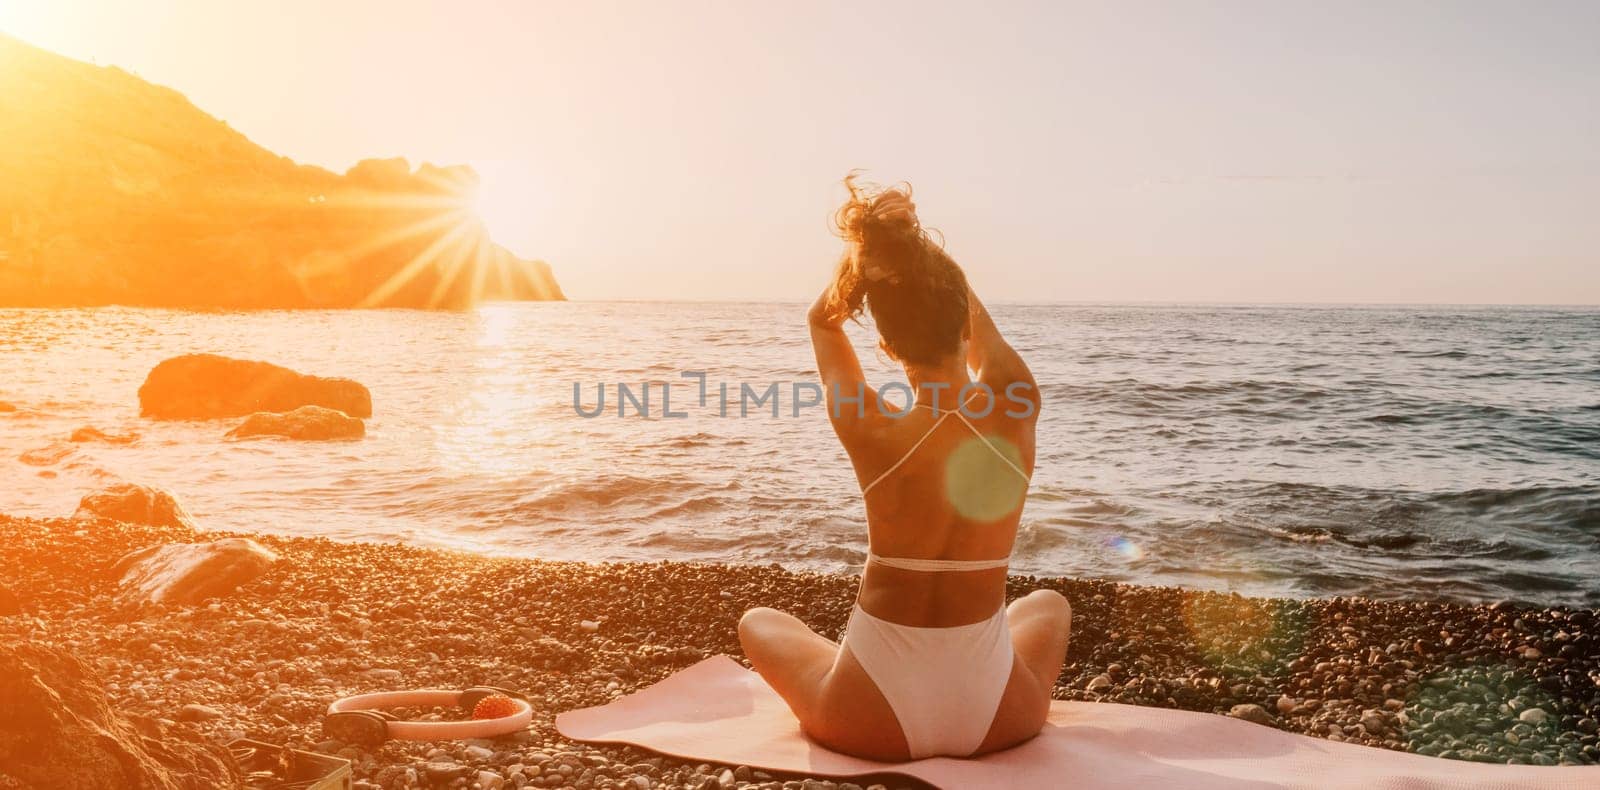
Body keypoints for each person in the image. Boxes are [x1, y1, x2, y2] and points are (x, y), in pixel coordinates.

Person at [737, 176, 1072, 760]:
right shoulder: (1017, 405)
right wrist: (910, 242)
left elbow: (822, 321)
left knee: (758, 620)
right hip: (998, 718)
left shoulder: (870, 430)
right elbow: (969, 314)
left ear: (888, 348)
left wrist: (866, 255)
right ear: (964, 324)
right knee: (1048, 606)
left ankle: (844, 666)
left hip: (869, 721)